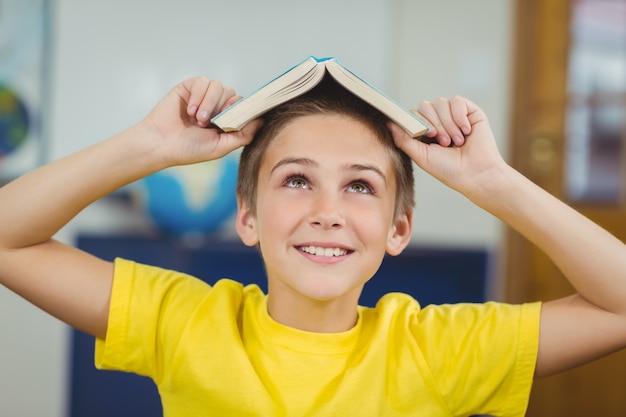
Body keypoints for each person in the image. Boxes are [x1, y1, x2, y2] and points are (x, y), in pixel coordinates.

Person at [0, 71, 625, 417]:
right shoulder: (184, 322)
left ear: (397, 228)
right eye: (297, 179)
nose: (328, 212)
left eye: (360, 185)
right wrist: (149, 148)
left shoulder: (441, 351)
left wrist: (494, 183)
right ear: (247, 216)